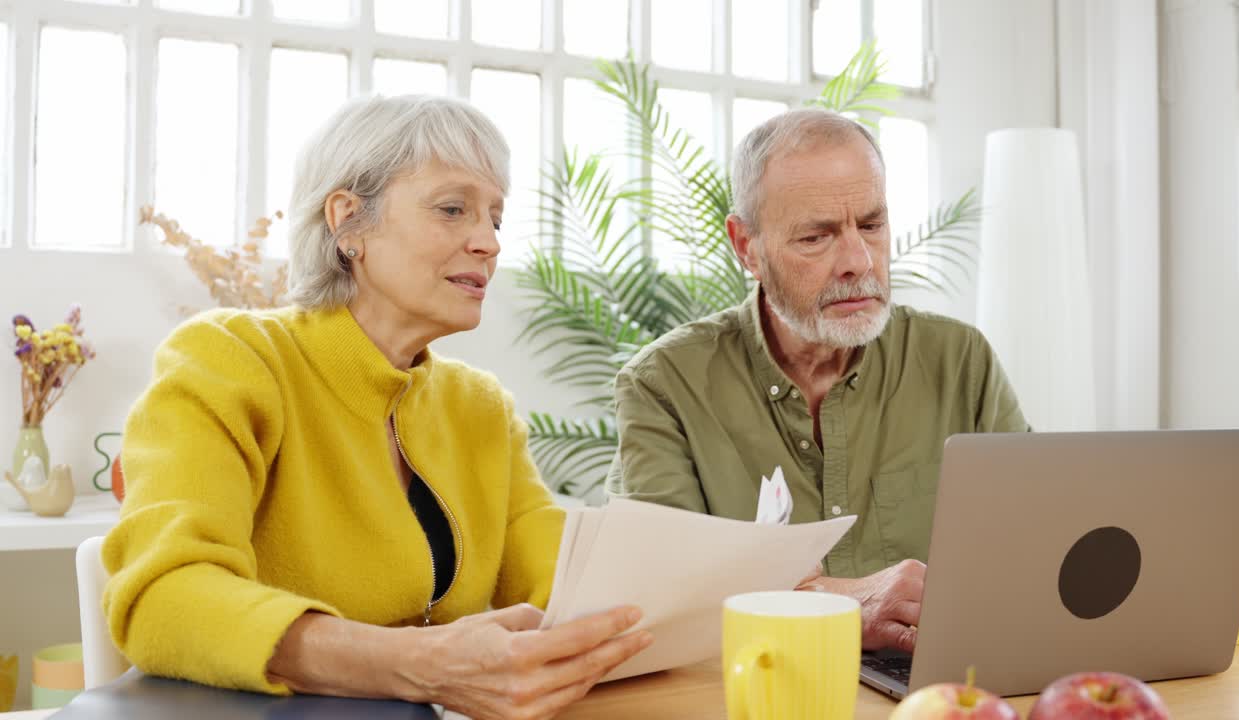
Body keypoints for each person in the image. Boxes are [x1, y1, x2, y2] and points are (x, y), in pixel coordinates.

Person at [103, 95, 651, 720]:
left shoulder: (480, 409)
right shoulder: (230, 359)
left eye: (496, 218)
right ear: (348, 223)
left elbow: (569, 588)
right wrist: (422, 665)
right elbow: (164, 598)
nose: (488, 243)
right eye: (453, 209)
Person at [606, 108, 1030, 654]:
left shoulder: (960, 362)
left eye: (871, 225)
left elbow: (1033, 551)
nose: (859, 261)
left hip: (937, 686)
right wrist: (841, 603)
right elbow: (660, 599)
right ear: (747, 246)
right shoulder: (664, 385)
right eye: (815, 236)